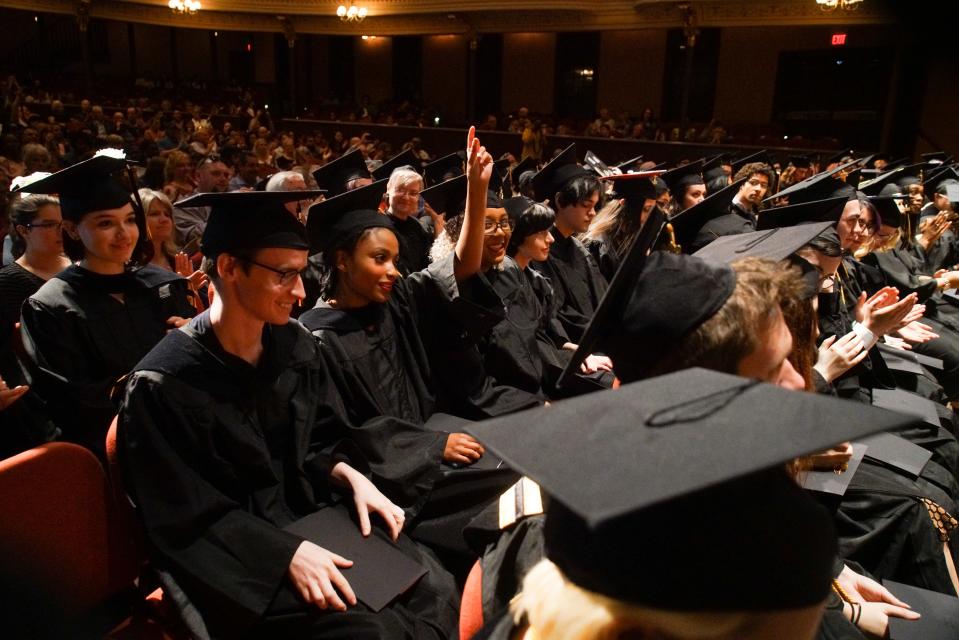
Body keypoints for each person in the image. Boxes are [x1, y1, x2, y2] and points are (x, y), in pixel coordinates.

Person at [118, 189, 458, 639]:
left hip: (310, 517)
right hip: (237, 560)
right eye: (284, 275)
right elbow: (184, 518)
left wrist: (353, 477)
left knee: (434, 585)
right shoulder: (163, 385)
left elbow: (318, 437)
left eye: (301, 274)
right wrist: (284, 555)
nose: (300, 292)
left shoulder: (294, 346)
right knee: (372, 630)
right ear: (228, 268)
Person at [14, 151, 196, 457]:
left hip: (183, 430)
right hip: (113, 447)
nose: (124, 234)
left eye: (130, 220)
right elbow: (71, 402)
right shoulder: (50, 307)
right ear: (72, 229)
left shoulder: (163, 287)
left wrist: (197, 341)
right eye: (105, 223)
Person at [528, 144, 608, 343]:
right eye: (585, 205)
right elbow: (557, 313)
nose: (592, 213)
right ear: (559, 201)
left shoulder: (579, 249)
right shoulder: (540, 253)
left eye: (595, 206)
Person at [688, 160, 775, 252]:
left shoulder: (755, 213)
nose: (758, 189)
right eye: (753, 183)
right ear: (741, 184)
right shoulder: (724, 208)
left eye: (763, 185)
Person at [383, 165, 435, 275]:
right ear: (388, 190)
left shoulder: (419, 228)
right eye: (400, 190)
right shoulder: (380, 228)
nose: (406, 197)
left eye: (413, 193)